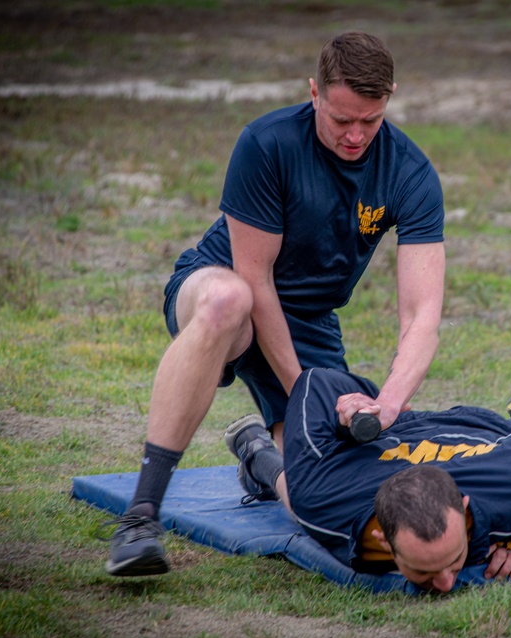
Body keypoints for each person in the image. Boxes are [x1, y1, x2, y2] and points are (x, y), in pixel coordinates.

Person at [105, 31, 446, 577]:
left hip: (308, 323)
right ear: (314, 92)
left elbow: (422, 315)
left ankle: (262, 461)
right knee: (229, 302)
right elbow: (255, 279)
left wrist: (386, 404)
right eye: (341, 120)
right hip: (224, 286)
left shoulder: (410, 172)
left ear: (390, 98)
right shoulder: (266, 143)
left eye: (371, 120)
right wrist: (309, 394)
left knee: (323, 494)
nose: (356, 135)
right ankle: (140, 515)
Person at [225, 367, 511, 593]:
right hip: (413, 432)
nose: (446, 584)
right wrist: (357, 407)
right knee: (299, 497)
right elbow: (312, 383)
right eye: (423, 572)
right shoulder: (323, 498)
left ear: (464, 509)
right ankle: (261, 456)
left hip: (486, 432)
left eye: (454, 560)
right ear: (383, 540)